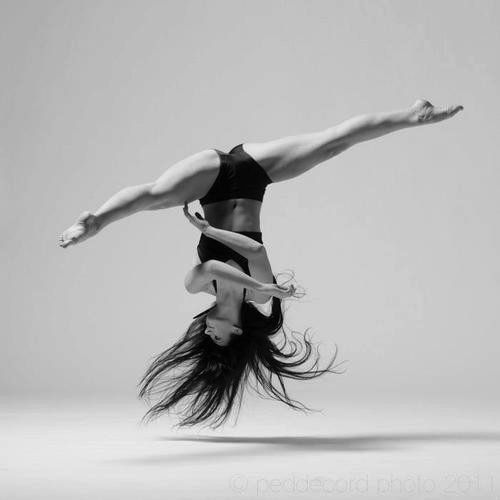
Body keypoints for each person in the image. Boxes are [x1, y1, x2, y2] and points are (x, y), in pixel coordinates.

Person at [58, 99, 463, 427]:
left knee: (157, 196)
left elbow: (213, 269)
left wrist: (212, 234)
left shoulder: (198, 286)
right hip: (253, 176)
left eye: (208, 335)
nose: (211, 330)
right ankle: (414, 115)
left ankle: (94, 221)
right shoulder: (258, 293)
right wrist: (262, 289)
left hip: (210, 183)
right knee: (331, 145)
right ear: (237, 331)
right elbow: (254, 251)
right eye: (221, 337)